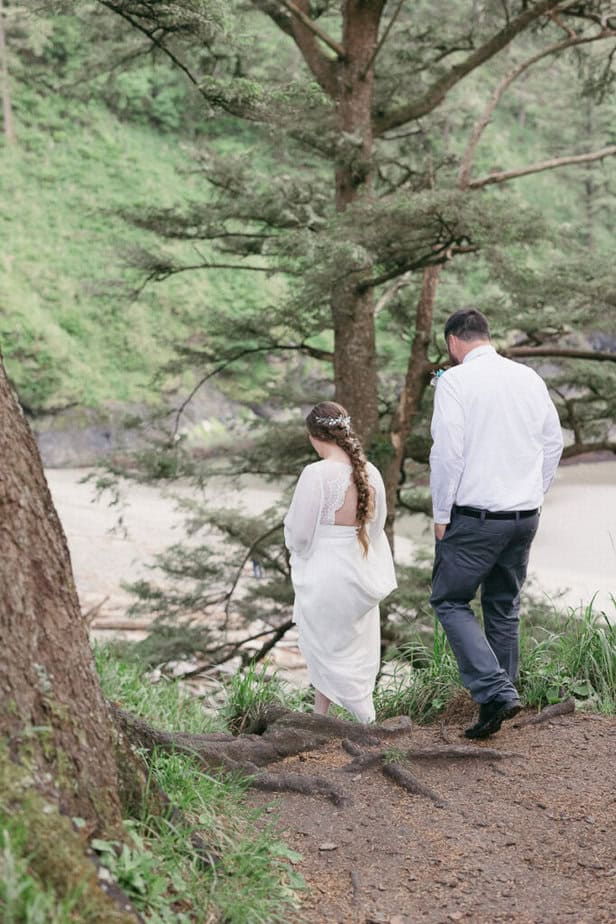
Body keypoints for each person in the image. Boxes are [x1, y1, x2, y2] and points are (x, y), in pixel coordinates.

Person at [429, 309, 564, 739]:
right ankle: (499, 706)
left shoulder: (454, 382)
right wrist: (534, 494)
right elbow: (553, 443)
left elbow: (447, 454)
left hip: (476, 518)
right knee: (503, 605)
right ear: (487, 337)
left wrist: (441, 513)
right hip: (524, 517)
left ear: (453, 343)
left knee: (450, 600)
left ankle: (494, 692)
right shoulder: (528, 377)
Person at [284, 401, 397, 723]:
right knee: (348, 646)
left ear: (314, 436)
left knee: (324, 644)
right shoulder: (369, 471)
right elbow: (376, 528)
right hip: (357, 565)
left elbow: (302, 534)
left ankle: (365, 722)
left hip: (326, 567)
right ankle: (322, 716)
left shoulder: (316, 474)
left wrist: (295, 548)